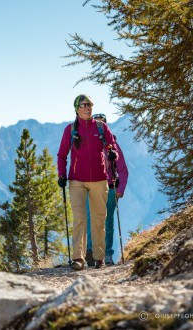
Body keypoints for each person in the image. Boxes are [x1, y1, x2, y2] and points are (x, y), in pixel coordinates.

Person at [57, 95, 118, 270]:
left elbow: (111, 145)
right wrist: (62, 175)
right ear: (77, 108)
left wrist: (113, 153)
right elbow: (62, 155)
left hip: (99, 179)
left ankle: (99, 258)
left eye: (90, 104)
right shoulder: (70, 130)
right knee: (79, 219)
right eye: (84, 105)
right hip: (77, 180)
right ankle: (78, 258)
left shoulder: (100, 127)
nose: (88, 107)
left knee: (99, 219)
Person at [85, 113, 129, 266]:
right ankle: (91, 252)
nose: (99, 126)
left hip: (110, 188)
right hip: (91, 187)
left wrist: (120, 189)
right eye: (97, 123)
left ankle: (107, 254)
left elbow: (123, 170)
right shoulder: (88, 144)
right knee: (91, 220)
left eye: (102, 123)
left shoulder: (114, 146)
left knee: (108, 221)